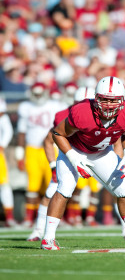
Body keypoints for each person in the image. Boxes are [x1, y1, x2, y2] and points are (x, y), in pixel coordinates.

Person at [41, 76, 125, 250]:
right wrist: (73, 158)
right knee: (65, 188)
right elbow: (57, 134)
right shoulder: (82, 112)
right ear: (96, 98)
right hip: (75, 150)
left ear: (122, 100)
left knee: (124, 190)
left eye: (113, 100)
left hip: (101, 153)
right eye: (104, 99)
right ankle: (48, 238)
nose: (108, 104)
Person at [27, 86, 96, 240]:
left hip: (95, 156)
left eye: (88, 103)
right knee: (51, 192)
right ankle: (39, 230)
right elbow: (48, 140)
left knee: (119, 186)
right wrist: (53, 166)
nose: (84, 107)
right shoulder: (65, 115)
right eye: (80, 103)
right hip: (69, 157)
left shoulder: (102, 114)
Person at [15, 82, 65, 227]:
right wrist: (19, 155)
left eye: (40, 93)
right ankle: (29, 219)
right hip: (32, 149)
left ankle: (56, 217)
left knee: (53, 185)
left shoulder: (55, 105)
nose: (38, 97)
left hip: (51, 149)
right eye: (35, 94)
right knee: (33, 185)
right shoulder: (26, 107)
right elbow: (22, 132)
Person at [0, 98, 17, 227]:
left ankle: (9, 217)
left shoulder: (3, 116)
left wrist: (2, 145)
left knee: (4, 185)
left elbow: (8, 131)